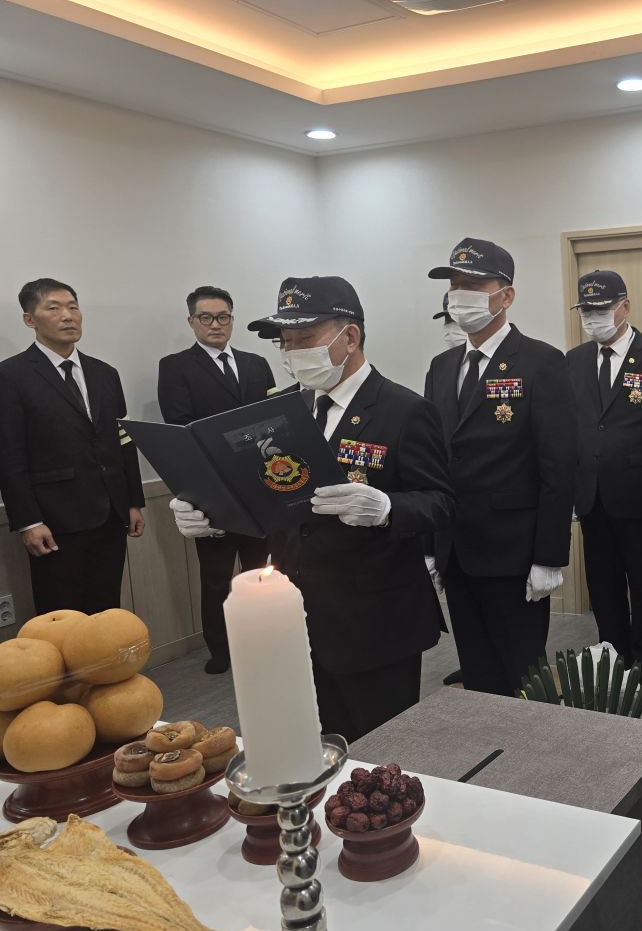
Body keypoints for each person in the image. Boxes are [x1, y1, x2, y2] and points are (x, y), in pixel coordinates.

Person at [171, 276, 454, 742]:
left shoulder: (404, 409)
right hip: (296, 615)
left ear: (350, 336)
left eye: (304, 339)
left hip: (374, 619)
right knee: (313, 746)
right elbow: (262, 494)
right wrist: (211, 516)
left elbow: (441, 502)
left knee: (378, 751)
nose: (291, 351)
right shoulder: (281, 409)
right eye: (285, 342)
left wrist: (386, 507)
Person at [422, 238, 575, 697]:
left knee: (522, 674)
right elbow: (434, 461)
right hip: (457, 548)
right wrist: (430, 546)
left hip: (514, 551)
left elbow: (558, 464)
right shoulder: (441, 366)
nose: (459, 296)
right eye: (454, 285)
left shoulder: (541, 361)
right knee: (477, 671)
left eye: (473, 285)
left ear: (506, 295)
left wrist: (549, 556)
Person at [566, 270, 642, 681]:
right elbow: (572, 429)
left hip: (639, 493)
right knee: (602, 584)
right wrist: (569, 491)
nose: (593, 318)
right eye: (586, 311)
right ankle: (614, 656)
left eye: (600, 309)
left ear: (625, 307)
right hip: (591, 494)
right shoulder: (575, 360)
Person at [0, 278, 145, 614]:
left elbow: (123, 439)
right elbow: (8, 455)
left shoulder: (105, 373)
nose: (68, 316)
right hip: (54, 519)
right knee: (62, 615)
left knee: (106, 610)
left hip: (111, 514)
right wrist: (28, 522)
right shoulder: (11, 376)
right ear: (29, 319)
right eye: (53, 308)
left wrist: (133, 501)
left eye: (73, 307)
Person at [157, 285, 276, 674]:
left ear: (232, 319)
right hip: (212, 492)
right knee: (216, 577)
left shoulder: (256, 363)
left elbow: (273, 417)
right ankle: (221, 650)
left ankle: (262, 640)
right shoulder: (175, 366)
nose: (215, 324)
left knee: (260, 571)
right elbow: (180, 428)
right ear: (191, 321)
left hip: (259, 485)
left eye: (223, 316)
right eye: (206, 317)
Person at [432, 290, 465, 689]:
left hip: (506, 523)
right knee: (463, 611)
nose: (450, 328)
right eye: (446, 320)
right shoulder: (440, 367)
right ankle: (471, 664)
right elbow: (432, 447)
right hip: (451, 518)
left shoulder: (535, 361)